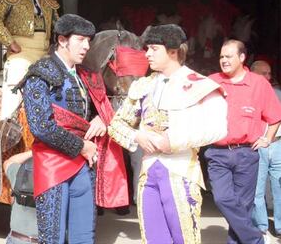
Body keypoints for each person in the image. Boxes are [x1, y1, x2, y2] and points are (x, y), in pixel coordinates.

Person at [108, 24, 228, 243]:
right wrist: (138, 137)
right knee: (154, 238)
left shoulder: (200, 85)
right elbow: (116, 125)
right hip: (149, 173)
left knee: (184, 238)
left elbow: (218, 128)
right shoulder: (143, 86)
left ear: (173, 51)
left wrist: (172, 141)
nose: (147, 54)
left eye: (154, 49)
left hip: (181, 171)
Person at [18, 14, 105, 244]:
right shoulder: (40, 72)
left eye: (89, 40)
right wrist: (81, 147)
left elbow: (99, 106)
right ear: (62, 40)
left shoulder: (85, 75)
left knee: (84, 234)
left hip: (83, 162)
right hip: (53, 162)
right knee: (53, 236)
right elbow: (41, 127)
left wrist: (100, 119)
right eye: (80, 39)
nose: (86, 46)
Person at [207, 40, 281, 244]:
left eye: (228, 56)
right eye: (221, 56)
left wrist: (268, 139)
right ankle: (255, 239)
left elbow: (275, 116)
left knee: (243, 206)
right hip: (217, 153)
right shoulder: (212, 81)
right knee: (222, 199)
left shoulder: (258, 83)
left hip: (247, 153)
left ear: (242, 57)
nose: (224, 60)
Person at [0, 0, 59, 120]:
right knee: (15, 78)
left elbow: (59, 28)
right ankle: (7, 125)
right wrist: (10, 42)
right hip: (21, 52)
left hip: (45, 53)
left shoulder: (49, 2)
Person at [250, 60, 281, 237]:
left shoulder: (277, 92)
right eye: (264, 73)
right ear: (253, 74)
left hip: (277, 144)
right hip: (257, 145)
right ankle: (261, 226)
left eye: (269, 73)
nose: (268, 77)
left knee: (279, 187)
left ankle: (280, 228)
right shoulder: (249, 94)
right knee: (257, 190)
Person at [3, 150, 37, 244]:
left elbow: (8, 162)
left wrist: (35, 151)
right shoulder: (64, 178)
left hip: (17, 239)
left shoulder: (18, 172)